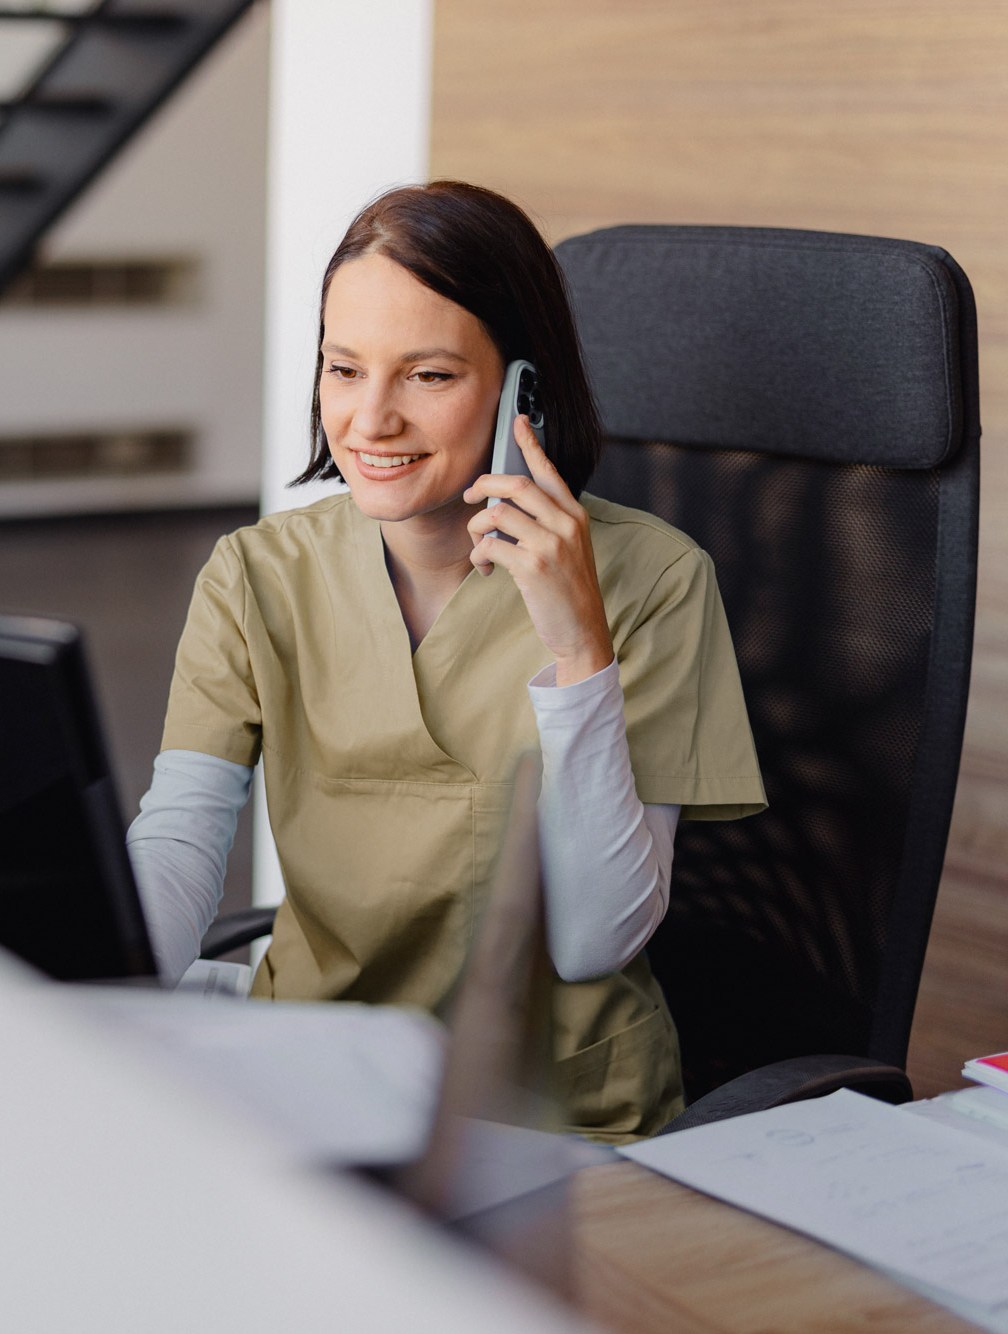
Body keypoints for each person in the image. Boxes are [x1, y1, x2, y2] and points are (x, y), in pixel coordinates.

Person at [126, 182, 767, 1142]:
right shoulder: (256, 575)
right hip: (315, 1088)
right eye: (344, 369)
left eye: (427, 376)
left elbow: (595, 941)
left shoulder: (657, 583)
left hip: (551, 1122)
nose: (370, 420)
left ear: (524, 389)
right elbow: (181, 844)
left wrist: (576, 649)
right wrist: (80, 980)